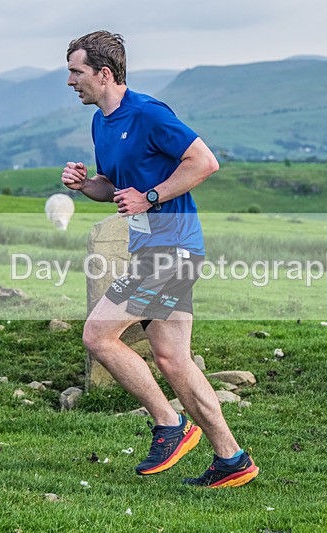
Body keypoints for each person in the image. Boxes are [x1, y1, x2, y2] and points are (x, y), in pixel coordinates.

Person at [61, 30, 258, 488]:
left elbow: (204, 162)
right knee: (174, 360)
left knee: (97, 335)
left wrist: (152, 196)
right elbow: (114, 187)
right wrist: (85, 185)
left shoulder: (148, 113)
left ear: (103, 73)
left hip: (173, 249)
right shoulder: (101, 122)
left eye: (76, 72)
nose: (71, 81)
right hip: (150, 247)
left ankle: (170, 426)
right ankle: (232, 460)